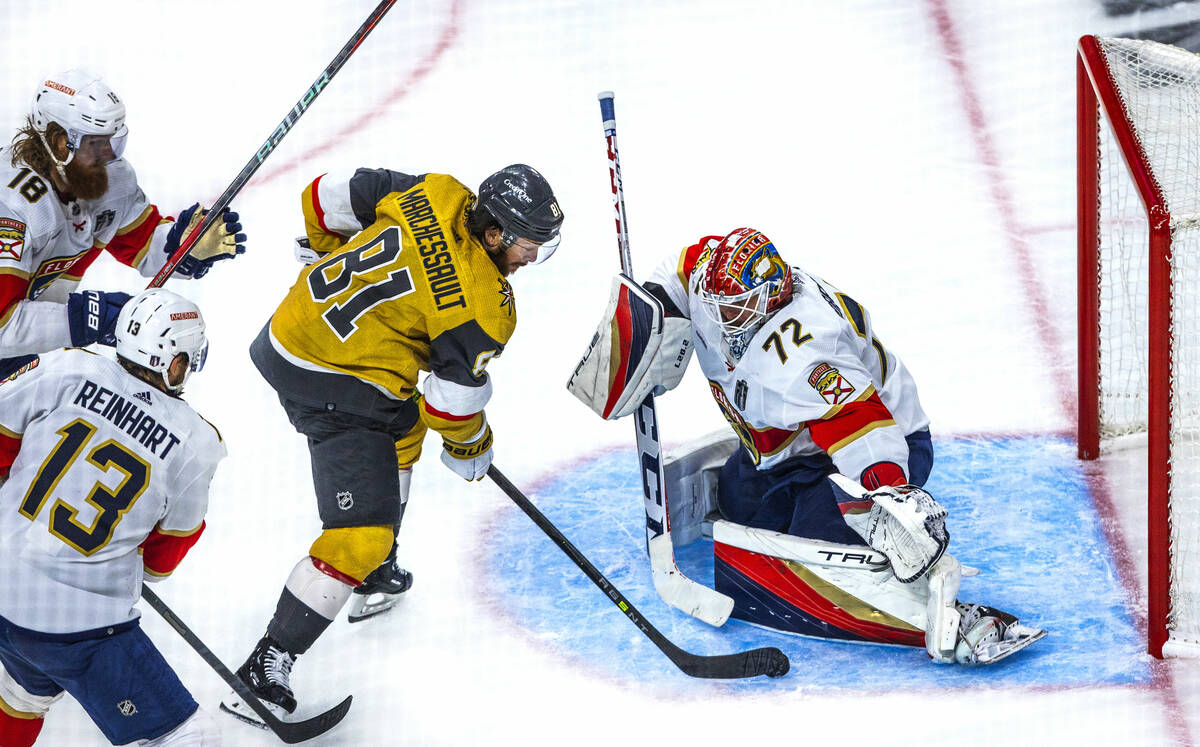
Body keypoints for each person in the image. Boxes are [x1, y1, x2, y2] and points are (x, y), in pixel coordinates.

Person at [568, 227, 1045, 665]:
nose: (715, 316)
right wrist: (653, 315)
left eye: (733, 309)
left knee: (809, 541)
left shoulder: (803, 351)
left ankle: (940, 610)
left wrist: (889, 497)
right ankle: (807, 494)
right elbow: (679, 272)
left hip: (882, 442)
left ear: (768, 302)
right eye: (715, 302)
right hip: (791, 446)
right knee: (738, 506)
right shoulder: (713, 281)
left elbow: (860, 419)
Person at [219, 164, 563, 724]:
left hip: (291, 327)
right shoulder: (482, 305)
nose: (530, 259)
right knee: (361, 537)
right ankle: (263, 669)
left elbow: (326, 195)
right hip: (333, 382)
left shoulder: (435, 192)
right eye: (526, 245)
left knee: (404, 427)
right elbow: (450, 404)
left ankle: (379, 571)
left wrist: (330, 252)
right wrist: (474, 447)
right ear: (495, 233)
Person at [0, 289, 225, 745]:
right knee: (190, 737)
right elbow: (160, 566)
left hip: (4, 589)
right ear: (175, 362)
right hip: (82, 625)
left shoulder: (65, 365)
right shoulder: (196, 443)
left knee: (20, 697)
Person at [0, 69, 246, 381]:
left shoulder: (110, 180)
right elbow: (3, 326)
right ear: (59, 143)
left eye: (113, 143)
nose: (108, 157)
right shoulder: (12, 207)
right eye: (95, 144)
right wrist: (94, 317)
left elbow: (144, 248)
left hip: (23, 356)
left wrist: (183, 245)